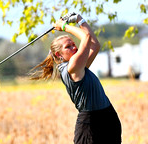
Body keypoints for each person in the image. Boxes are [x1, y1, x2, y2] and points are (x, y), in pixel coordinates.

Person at [30, 13, 122, 144]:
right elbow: (86, 37)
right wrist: (64, 26)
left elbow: (94, 46)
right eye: (69, 46)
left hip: (108, 117)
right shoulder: (72, 67)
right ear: (58, 54)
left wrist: (80, 19)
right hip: (90, 124)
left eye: (74, 44)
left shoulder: (78, 65)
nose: (75, 47)